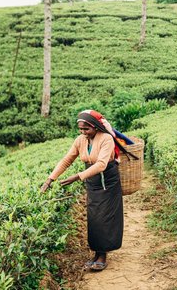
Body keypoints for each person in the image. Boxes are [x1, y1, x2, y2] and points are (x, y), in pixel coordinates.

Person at [41, 110, 133, 271]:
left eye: (86, 129)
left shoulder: (106, 139)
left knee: (105, 217)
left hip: (108, 181)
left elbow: (101, 164)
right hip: (92, 182)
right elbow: (67, 159)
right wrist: (50, 179)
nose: (83, 132)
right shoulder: (80, 140)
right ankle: (96, 253)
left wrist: (77, 177)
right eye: (81, 129)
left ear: (96, 127)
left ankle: (102, 255)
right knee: (94, 217)